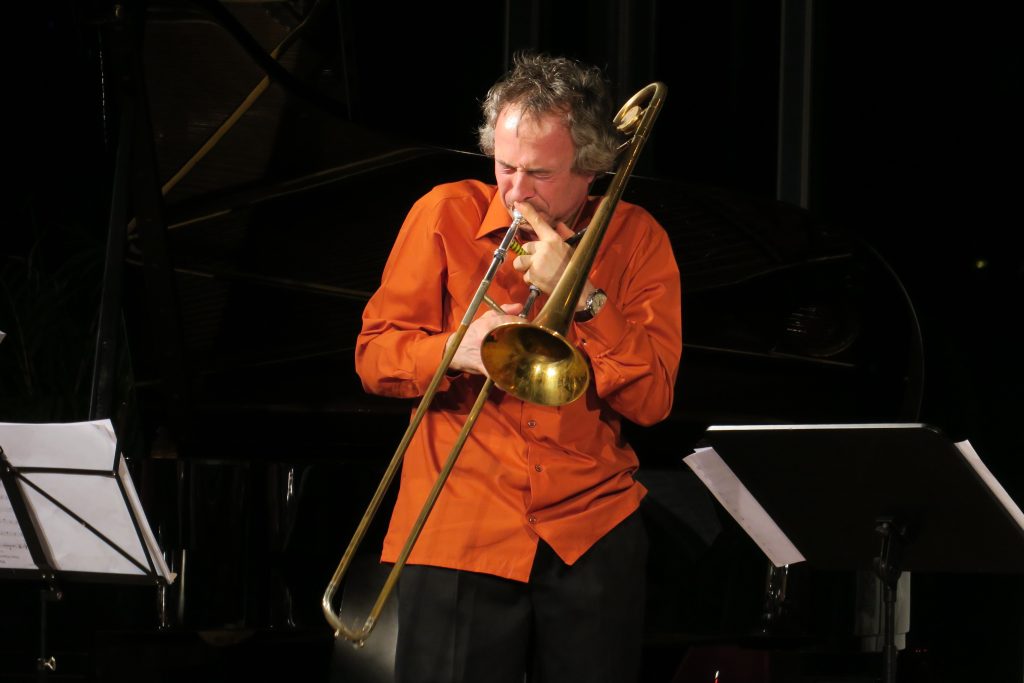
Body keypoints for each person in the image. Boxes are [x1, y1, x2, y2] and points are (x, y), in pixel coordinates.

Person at [355, 52, 681, 683]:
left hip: (591, 530)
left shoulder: (638, 238)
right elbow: (373, 357)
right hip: (460, 524)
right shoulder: (443, 214)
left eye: (540, 173)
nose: (516, 191)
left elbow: (653, 402)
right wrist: (457, 349)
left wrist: (586, 297)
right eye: (505, 166)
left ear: (590, 167)